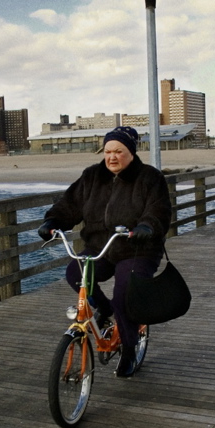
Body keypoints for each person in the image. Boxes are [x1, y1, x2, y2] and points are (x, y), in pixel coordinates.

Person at [38, 126, 171, 378]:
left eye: (119, 151)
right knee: (74, 274)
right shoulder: (92, 176)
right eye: (108, 151)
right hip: (100, 247)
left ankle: (130, 349)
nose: (112, 157)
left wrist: (146, 226)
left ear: (131, 152)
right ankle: (106, 310)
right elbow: (69, 205)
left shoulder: (149, 178)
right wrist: (52, 222)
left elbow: (159, 211)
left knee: (124, 294)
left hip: (137, 249)